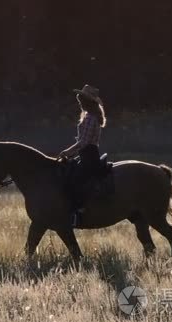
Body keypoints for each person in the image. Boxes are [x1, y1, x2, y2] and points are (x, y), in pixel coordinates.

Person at [58, 84, 107, 227]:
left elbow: (84, 142)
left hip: (89, 155)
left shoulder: (91, 118)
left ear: (87, 102)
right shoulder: (88, 116)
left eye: (81, 100)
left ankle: (78, 212)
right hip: (85, 154)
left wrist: (67, 152)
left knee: (74, 181)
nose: (79, 102)